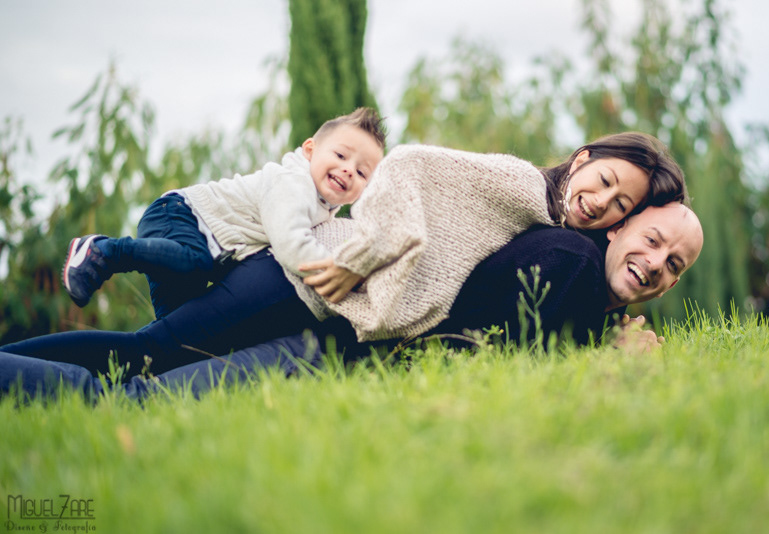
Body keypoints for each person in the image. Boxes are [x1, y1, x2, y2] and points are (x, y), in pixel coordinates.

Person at [2, 132, 687, 377]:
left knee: (155, 361)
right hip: (308, 276)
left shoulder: (542, 224)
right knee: (146, 355)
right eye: (604, 183)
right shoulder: (515, 184)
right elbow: (412, 165)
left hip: (325, 298)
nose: (602, 203)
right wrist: (369, 255)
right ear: (584, 158)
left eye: (620, 205)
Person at [0, 202, 704, 400]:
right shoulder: (571, 261)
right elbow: (519, 347)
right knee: (135, 383)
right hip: (313, 307)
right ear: (619, 228)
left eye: (674, 265)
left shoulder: (569, 259)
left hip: (321, 320)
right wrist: (614, 356)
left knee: (139, 363)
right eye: (652, 241)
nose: (656, 265)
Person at [62, 107, 386, 318]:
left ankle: (146, 381)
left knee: (177, 326)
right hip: (183, 216)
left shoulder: (322, 208)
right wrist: (340, 271)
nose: (347, 171)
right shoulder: (294, 183)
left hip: (188, 235)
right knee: (196, 263)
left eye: (361, 173)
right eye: (341, 155)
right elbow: (291, 244)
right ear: (310, 149)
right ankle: (104, 251)